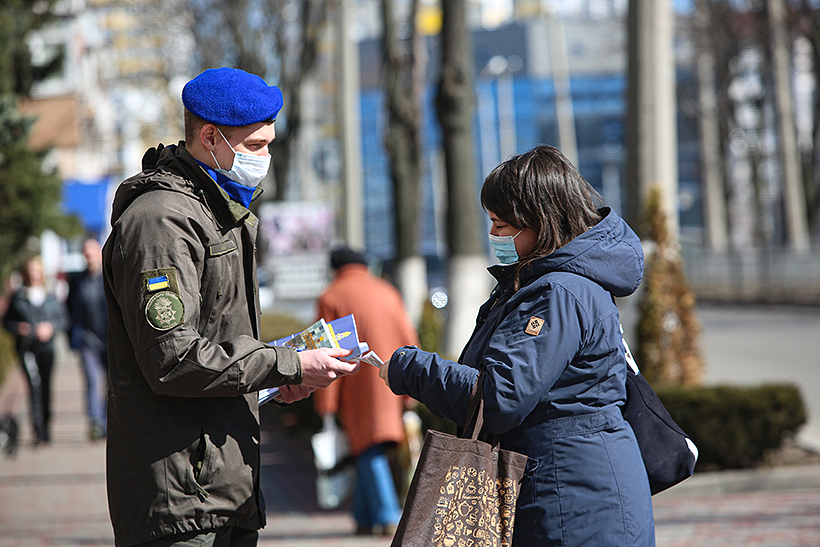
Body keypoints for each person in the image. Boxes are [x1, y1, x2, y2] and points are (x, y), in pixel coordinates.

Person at [102, 67, 359, 547]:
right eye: (255, 146)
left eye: (269, 144)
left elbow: (218, 341)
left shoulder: (216, 210)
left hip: (219, 488)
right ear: (210, 138)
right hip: (183, 496)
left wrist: (274, 381)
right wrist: (285, 363)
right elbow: (173, 358)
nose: (265, 158)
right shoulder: (162, 222)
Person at [379, 145, 655, 546]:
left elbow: (500, 398)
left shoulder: (558, 293)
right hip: (565, 490)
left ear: (540, 222)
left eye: (501, 225)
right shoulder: (542, 283)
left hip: (574, 503)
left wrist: (410, 368)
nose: (493, 235)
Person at [312, 247, 420, 536]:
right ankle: (363, 517)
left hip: (357, 386)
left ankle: (388, 515)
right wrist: (413, 389)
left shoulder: (331, 296)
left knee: (368, 446)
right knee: (370, 445)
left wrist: (326, 405)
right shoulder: (387, 291)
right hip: (392, 380)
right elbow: (410, 338)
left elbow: (326, 353)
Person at [2, 255, 68, 445]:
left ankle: (46, 424)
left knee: (45, 386)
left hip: (47, 348)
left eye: (36, 272)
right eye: (30, 272)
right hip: (26, 348)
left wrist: (51, 327)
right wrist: (18, 328)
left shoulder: (50, 296)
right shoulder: (18, 297)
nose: (33, 276)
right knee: (34, 385)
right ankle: (38, 429)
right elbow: (7, 322)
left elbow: (63, 320)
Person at [67, 237, 108, 441]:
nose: (88, 256)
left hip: (110, 339)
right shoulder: (76, 280)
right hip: (87, 340)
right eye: (85, 252)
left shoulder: (109, 278)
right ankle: (95, 423)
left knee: (111, 383)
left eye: (91, 252)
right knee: (92, 380)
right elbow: (69, 309)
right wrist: (73, 336)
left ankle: (109, 422)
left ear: (100, 254)